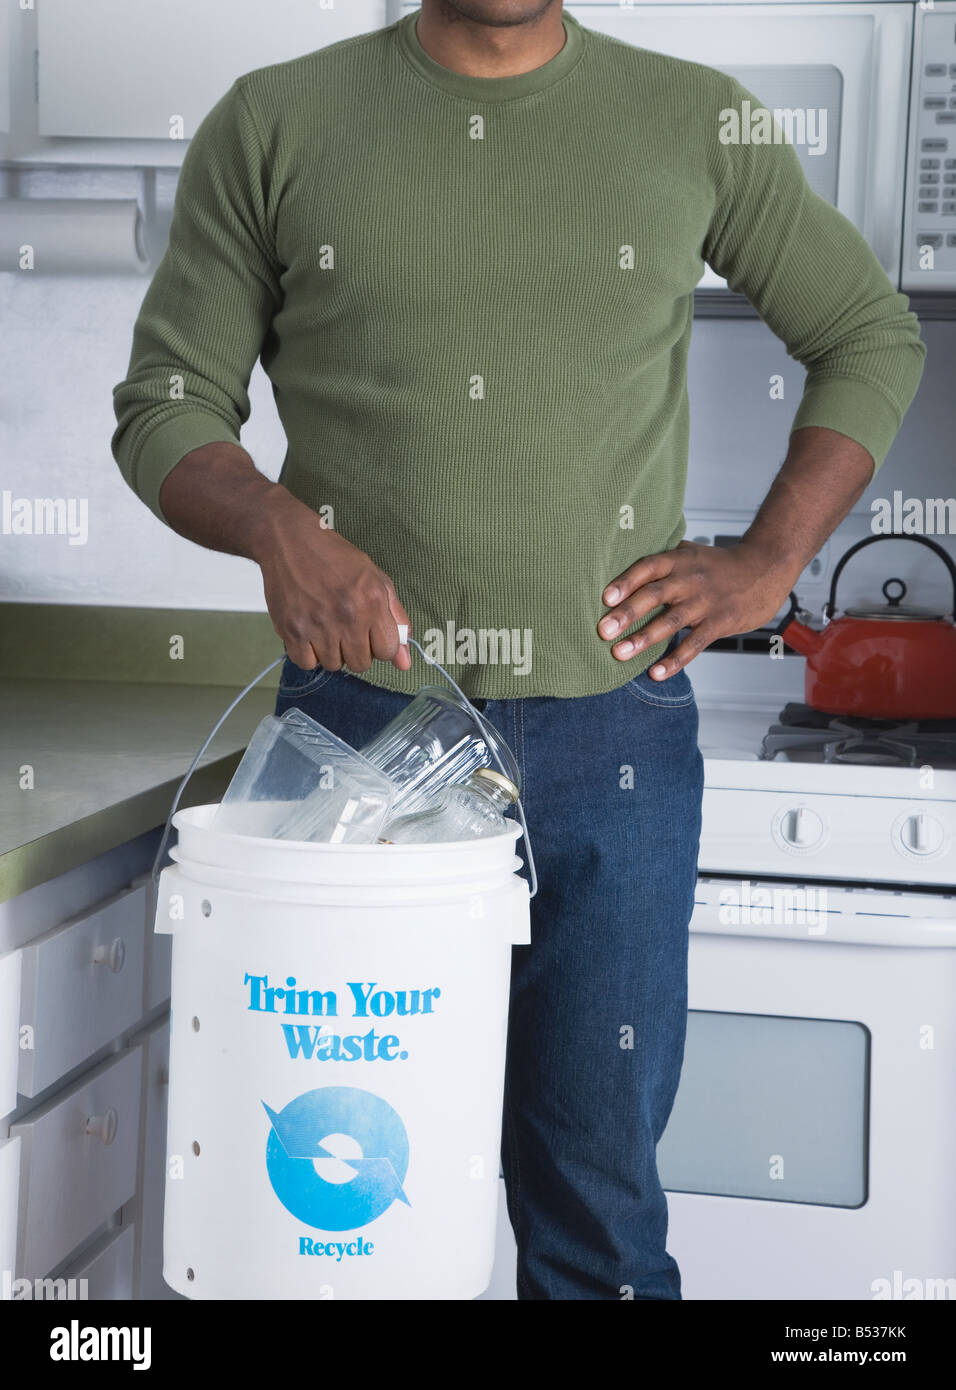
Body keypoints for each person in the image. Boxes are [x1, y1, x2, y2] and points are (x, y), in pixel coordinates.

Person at [112, 1, 925, 1299]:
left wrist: (767, 560)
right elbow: (163, 406)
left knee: (595, 1212)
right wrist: (275, 526)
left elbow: (868, 333)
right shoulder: (275, 124)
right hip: (359, 745)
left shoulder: (690, 118)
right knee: (343, 1210)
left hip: (617, 740)